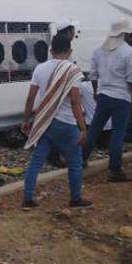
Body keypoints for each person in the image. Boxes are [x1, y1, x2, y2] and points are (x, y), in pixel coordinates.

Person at [20, 33, 91, 209]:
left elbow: (30, 98)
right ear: (70, 51)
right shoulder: (73, 71)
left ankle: (27, 200)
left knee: (36, 162)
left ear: (51, 51)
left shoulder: (40, 69)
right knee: (75, 162)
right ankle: (75, 199)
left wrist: (26, 120)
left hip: (45, 121)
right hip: (66, 124)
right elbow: (75, 101)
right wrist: (83, 128)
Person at [82, 19, 132, 183]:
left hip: (103, 95)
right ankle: (115, 169)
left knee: (94, 129)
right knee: (118, 133)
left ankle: (81, 160)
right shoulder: (129, 52)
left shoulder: (98, 51)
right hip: (121, 97)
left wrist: (95, 92)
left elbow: (93, 75)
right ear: (124, 33)